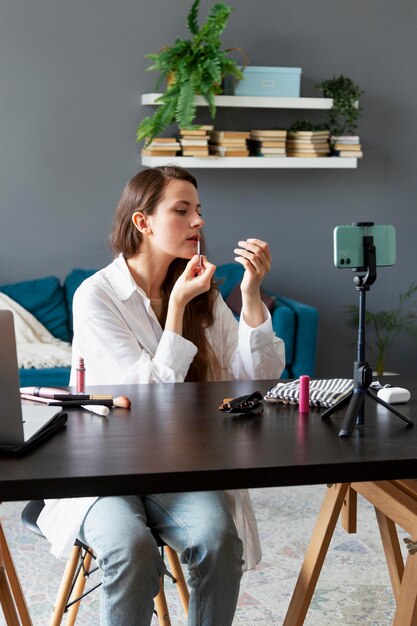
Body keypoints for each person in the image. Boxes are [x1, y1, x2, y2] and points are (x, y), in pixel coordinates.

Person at [38, 165, 285, 626]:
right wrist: (175, 310)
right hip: (105, 466)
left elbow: (259, 378)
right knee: (130, 548)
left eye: (199, 210)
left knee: (218, 541)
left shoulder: (203, 293)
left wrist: (251, 295)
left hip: (175, 463)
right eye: (182, 210)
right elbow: (142, 400)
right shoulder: (97, 296)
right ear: (143, 222)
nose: (199, 222)